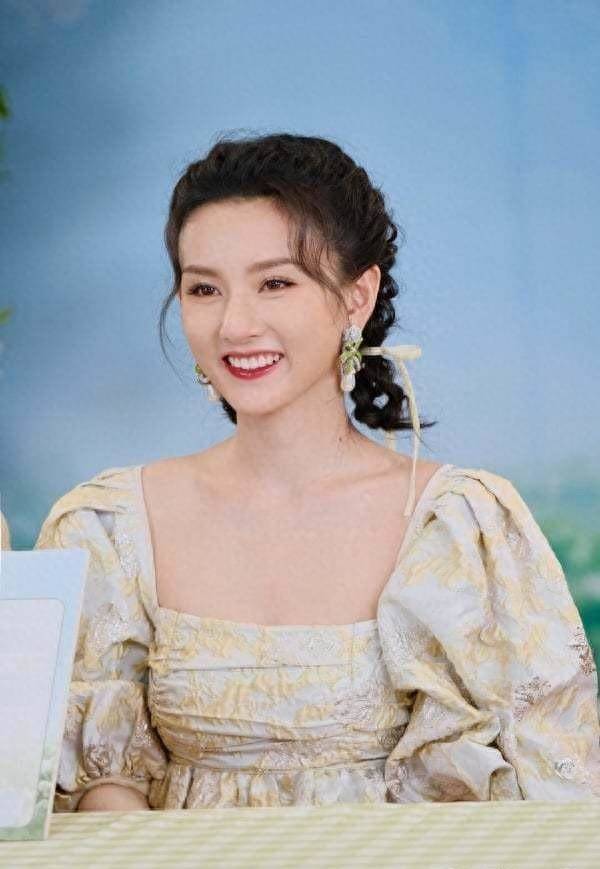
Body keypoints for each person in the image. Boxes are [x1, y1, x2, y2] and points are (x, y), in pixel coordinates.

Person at [35, 133, 600, 812]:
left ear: (357, 297)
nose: (235, 324)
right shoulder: (108, 526)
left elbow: (557, 788)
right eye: (204, 288)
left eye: (276, 283)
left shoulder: (461, 524)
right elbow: (99, 789)